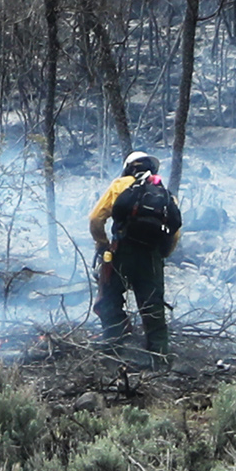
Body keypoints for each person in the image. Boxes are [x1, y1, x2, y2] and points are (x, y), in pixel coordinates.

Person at [88, 151, 181, 367]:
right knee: (153, 307)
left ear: (128, 167)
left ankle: (113, 354)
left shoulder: (120, 185)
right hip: (151, 257)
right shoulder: (164, 193)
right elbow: (175, 233)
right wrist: (160, 255)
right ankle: (159, 360)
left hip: (120, 252)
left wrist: (102, 244)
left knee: (110, 299)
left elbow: (95, 219)